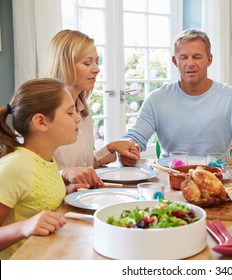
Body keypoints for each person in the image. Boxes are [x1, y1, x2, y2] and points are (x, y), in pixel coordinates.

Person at [121, 29, 232, 164]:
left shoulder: (231, 96)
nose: (190, 63)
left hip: (217, 178)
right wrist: (128, 150)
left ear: (209, 60)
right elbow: (133, 139)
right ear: (175, 61)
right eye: (183, 57)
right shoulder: (156, 99)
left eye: (197, 57)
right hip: (171, 176)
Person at [42, 29, 140, 188]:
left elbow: (82, 165)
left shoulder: (83, 111)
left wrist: (111, 148)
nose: (96, 69)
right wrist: (64, 174)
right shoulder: (44, 115)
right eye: (87, 63)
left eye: (96, 61)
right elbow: (30, 174)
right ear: (65, 65)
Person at [0, 78, 81, 259]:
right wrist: (24, 227)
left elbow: (36, 199)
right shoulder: (14, 167)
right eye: (70, 113)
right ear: (41, 122)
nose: (77, 118)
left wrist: (68, 191)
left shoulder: (47, 159)